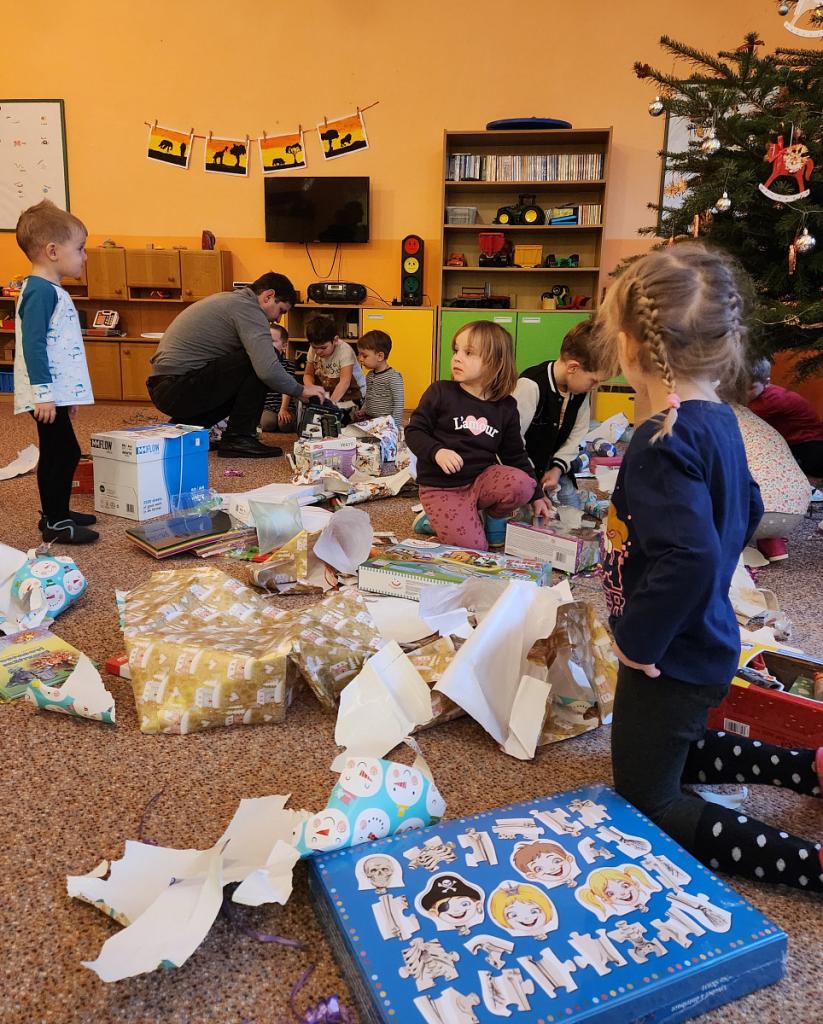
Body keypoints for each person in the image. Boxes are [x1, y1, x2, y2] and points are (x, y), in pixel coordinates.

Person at [597, 242, 823, 894]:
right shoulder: (722, 419)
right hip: (705, 635)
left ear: (633, 346)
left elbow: (689, 553)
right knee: (678, 744)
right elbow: (747, 506)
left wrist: (639, 642)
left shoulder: (660, 438)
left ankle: (805, 864)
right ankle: (806, 768)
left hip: (667, 652)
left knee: (648, 794)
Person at [147, 272, 326, 458]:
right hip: (176, 388)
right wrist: (300, 390)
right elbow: (267, 370)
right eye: (281, 311)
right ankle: (239, 438)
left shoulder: (233, 301)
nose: (278, 320)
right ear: (268, 296)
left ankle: (186, 428)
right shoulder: (249, 309)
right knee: (264, 358)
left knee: (250, 363)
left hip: (167, 388)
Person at [405, 321, 548, 550]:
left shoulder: (506, 406)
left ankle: (488, 515)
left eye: (468, 352)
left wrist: (537, 496)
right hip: (442, 488)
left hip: (481, 482)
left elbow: (515, 455)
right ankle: (435, 520)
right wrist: (437, 452)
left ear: (495, 363)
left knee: (524, 484)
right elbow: (414, 431)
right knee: (475, 551)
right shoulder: (440, 392)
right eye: (456, 350)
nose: (457, 358)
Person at [13, 200, 98, 544]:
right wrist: (45, 395)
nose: (84, 257)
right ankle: (57, 521)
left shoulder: (49, 290)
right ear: (52, 251)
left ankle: (56, 513)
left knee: (57, 451)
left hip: (53, 393)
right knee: (64, 452)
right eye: (79, 249)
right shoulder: (39, 292)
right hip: (45, 394)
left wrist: (67, 395)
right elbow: (33, 346)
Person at [513, 320, 609, 509]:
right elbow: (512, 441)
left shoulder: (580, 391)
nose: (595, 387)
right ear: (573, 368)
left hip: (554, 467)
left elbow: (578, 433)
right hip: (522, 467)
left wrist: (557, 468)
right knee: (526, 513)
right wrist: (535, 489)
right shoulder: (530, 385)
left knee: (572, 510)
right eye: (593, 381)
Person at [721, 371, 812, 562]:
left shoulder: (720, 418)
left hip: (756, 513)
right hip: (796, 507)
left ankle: (734, 545)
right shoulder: (758, 419)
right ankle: (773, 544)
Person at [748, 357, 823, 477]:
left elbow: (738, 418)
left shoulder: (770, 401)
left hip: (808, 446)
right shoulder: (762, 394)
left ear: (766, 382)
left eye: (750, 388)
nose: (743, 392)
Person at [303, 315, 366, 408]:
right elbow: (308, 374)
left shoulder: (345, 351)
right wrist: (311, 389)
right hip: (333, 392)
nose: (318, 351)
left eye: (323, 347)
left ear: (335, 340)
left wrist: (329, 405)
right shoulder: (313, 349)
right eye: (314, 347)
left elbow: (345, 382)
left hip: (354, 394)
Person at [351, 329, 405, 426]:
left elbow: (399, 404)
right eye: (359, 354)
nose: (360, 359)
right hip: (369, 419)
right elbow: (368, 397)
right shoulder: (369, 375)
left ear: (380, 356)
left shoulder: (393, 377)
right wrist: (363, 410)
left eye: (364, 356)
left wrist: (394, 426)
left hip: (385, 423)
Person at [259, 323, 298, 432]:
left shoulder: (288, 364)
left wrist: (283, 409)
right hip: (268, 406)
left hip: (285, 405)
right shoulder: (260, 363)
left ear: (284, 346)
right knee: (268, 423)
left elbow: (287, 388)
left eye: (272, 341)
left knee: (285, 425)